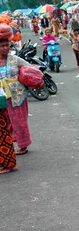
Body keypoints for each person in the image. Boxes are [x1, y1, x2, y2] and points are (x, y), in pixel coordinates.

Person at [0, 23, 33, 160]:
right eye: (2, 46)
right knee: (5, 123)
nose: (6, 48)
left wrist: (22, 78)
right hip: (2, 97)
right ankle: (9, 142)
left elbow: (30, 68)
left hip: (17, 96)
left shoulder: (15, 59)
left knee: (19, 121)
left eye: (7, 45)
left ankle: (23, 145)